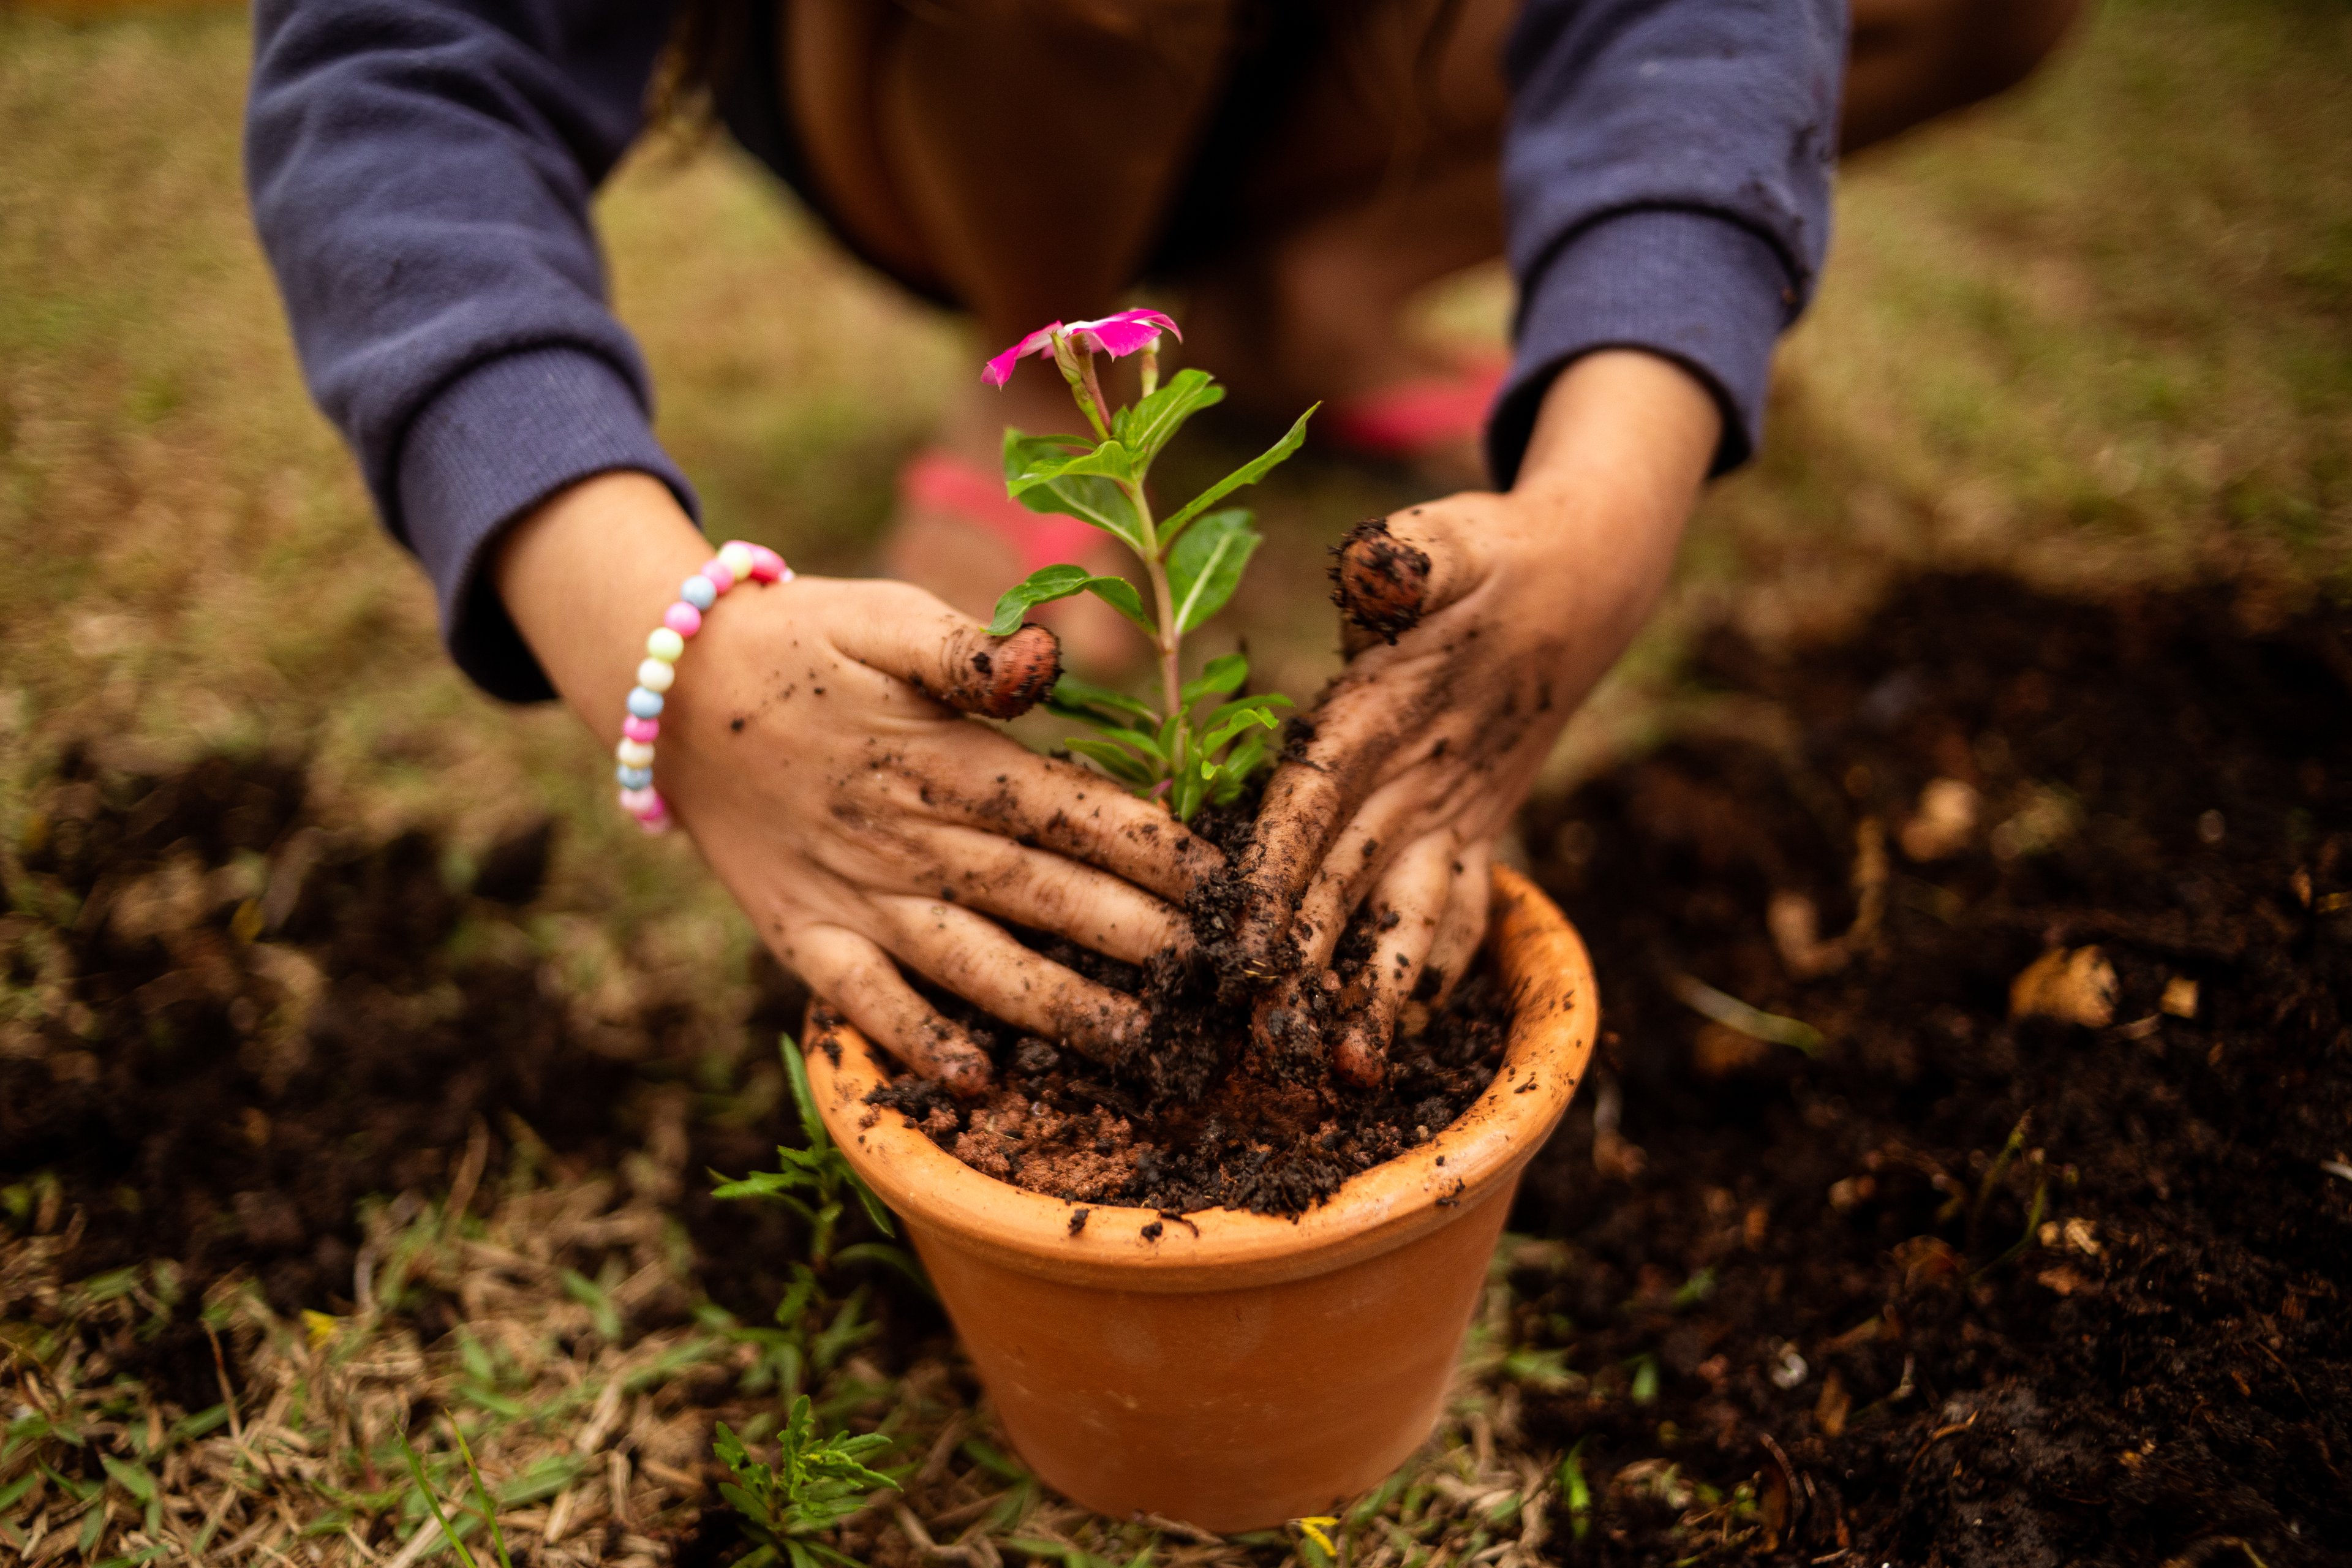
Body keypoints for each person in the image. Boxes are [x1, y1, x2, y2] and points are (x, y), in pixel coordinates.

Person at [245, 0, 2080, 1090]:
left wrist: (1609, 499)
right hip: (947, 75)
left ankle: (1318, 281)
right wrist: (668, 645)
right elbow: (403, 60)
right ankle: (1049, 363)